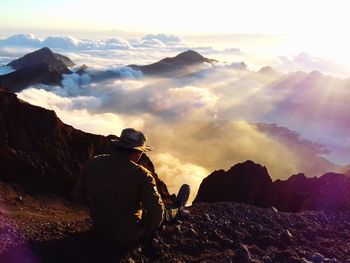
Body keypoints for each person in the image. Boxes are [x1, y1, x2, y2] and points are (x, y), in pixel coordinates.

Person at [72, 128, 190, 243]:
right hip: (127, 235)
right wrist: (146, 229)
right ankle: (178, 207)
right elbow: (157, 215)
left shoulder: (93, 162)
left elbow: (77, 196)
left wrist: (101, 208)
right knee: (164, 213)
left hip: (99, 229)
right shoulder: (142, 175)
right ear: (138, 152)